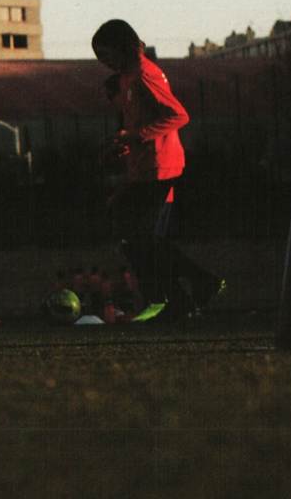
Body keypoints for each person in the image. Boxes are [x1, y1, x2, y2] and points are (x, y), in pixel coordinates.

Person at [93, 19, 224, 323]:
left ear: (123, 45)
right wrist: (126, 145)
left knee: (139, 237)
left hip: (161, 167)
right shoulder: (127, 77)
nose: (104, 62)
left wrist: (137, 137)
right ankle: (177, 297)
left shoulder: (144, 74)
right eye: (100, 58)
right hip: (145, 168)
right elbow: (142, 127)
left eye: (106, 54)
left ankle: (177, 292)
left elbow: (178, 115)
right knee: (136, 237)